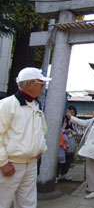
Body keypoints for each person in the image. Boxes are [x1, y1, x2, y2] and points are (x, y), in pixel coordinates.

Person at [0, 67, 51, 208]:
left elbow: (42, 130)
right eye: (41, 84)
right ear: (30, 84)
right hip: (11, 163)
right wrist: (3, 162)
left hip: (31, 164)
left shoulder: (37, 106)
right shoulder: (7, 105)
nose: (43, 87)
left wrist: (41, 148)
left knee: (28, 203)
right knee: (3, 201)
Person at [65, 101, 94, 199]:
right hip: (90, 147)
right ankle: (91, 187)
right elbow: (84, 123)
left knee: (93, 169)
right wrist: (71, 117)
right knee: (90, 169)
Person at [56, 105, 79, 183]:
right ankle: (56, 175)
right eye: (70, 111)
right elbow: (56, 128)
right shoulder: (63, 120)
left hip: (71, 142)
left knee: (69, 158)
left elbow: (76, 131)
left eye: (73, 112)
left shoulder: (74, 122)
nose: (71, 113)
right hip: (62, 142)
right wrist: (63, 131)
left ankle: (64, 173)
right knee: (60, 159)